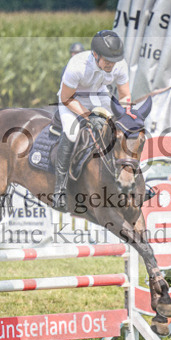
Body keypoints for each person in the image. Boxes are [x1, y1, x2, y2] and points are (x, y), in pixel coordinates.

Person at [52, 30, 131, 212]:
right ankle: (60, 188)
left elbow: (125, 95)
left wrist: (125, 115)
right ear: (95, 55)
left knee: (125, 132)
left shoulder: (119, 65)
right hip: (73, 99)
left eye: (115, 60)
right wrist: (89, 116)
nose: (112, 64)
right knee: (71, 133)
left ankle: (132, 179)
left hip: (99, 94)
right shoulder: (77, 66)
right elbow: (66, 98)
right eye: (107, 60)